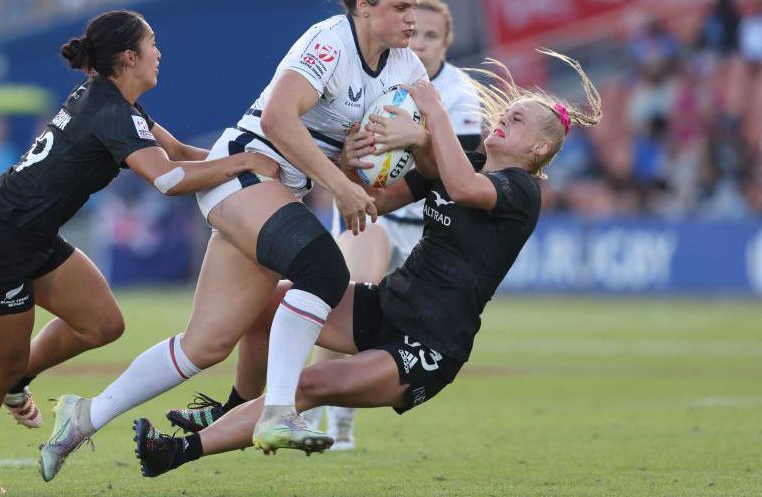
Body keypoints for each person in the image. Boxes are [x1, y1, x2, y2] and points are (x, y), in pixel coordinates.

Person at [38, 0, 427, 482]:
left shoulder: (405, 66)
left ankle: (84, 415)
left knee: (205, 346)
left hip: (273, 192)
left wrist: (358, 162)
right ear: (364, 7)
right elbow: (277, 120)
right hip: (242, 175)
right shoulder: (330, 42)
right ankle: (277, 411)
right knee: (320, 265)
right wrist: (339, 187)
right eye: (401, 6)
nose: (413, 18)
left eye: (415, 7)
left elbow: (349, 148)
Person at [132, 49, 604, 476]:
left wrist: (432, 116)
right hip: (388, 305)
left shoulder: (521, 192)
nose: (505, 118)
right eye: (508, 111)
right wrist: (349, 162)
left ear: (539, 149)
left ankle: (176, 452)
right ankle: (231, 407)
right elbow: (373, 203)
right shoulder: (466, 160)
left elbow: (460, 188)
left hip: (428, 345)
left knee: (307, 385)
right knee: (262, 307)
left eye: (518, 121)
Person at [0, 8, 280, 494]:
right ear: (129, 57)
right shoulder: (111, 111)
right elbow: (169, 179)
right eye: (152, 44)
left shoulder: (116, 104)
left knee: (102, 323)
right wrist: (243, 163)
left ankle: (16, 377)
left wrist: (257, 162)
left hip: (32, 240)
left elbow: (175, 153)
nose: (160, 53)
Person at [164, 0, 484, 450]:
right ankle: (326, 423)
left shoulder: (455, 94)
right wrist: (350, 164)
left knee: (369, 316)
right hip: (371, 213)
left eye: (433, 35)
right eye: (419, 32)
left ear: (447, 43)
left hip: (426, 227)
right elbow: (346, 143)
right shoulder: (384, 70)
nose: (424, 43)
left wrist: (421, 138)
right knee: (335, 296)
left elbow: (465, 167)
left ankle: (272, 409)